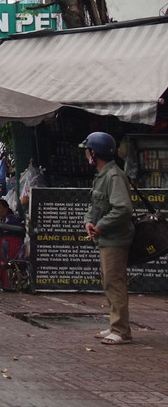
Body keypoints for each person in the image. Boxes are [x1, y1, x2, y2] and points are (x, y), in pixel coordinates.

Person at [82, 132, 134, 345]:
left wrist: (101, 226)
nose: (85, 154)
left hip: (115, 238)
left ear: (94, 153)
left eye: (87, 151)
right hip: (106, 238)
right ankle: (116, 324)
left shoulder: (112, 175)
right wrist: (88, 221)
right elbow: (96, 205)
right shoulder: (102, 175)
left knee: (114, 282)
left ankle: (121, 330)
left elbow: (123, 208)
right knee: (109, 281)